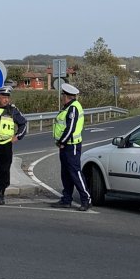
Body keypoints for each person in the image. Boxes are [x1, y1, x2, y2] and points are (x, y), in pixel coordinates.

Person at [50, 83, 92, 211]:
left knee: (75, 172)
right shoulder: (67, 107)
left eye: (63, 94)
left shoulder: (73, 108)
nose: (62, 96)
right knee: (66, 173)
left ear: (66, 96)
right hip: (66, 145)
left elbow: (70, 128)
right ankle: (66, 199)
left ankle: (86, 199)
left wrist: (62, 141)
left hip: (71, 145)